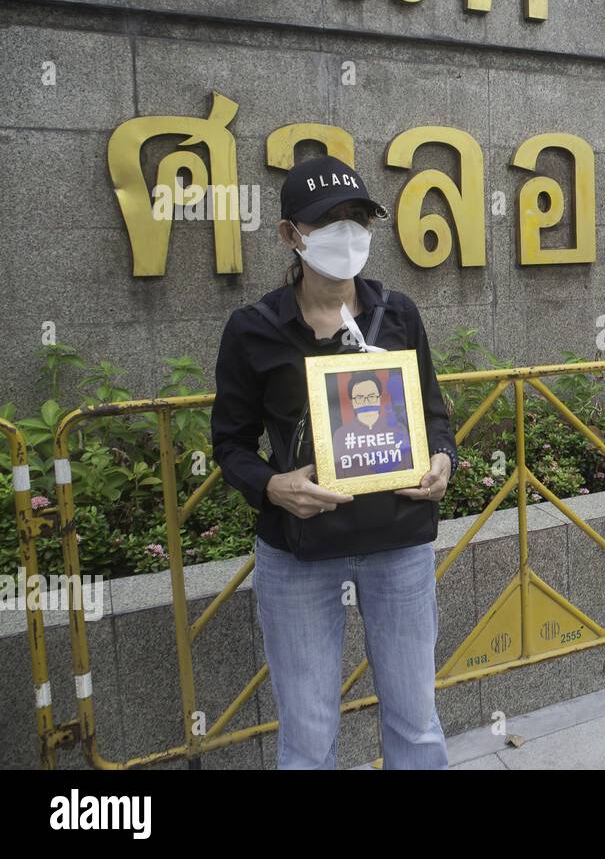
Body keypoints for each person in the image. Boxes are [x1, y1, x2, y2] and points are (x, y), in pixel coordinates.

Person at [212, 155, 459, 768]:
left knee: (416, 720)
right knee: (308, 734)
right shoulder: (254, 329)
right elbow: (231, 445)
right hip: (300, 554)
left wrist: (442, 461)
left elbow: (433, 413)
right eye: (328, 221)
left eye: (358, 217)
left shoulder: (396, 313)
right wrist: (272, 487)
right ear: (291, 235)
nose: (347, 232)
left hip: (398, 542)